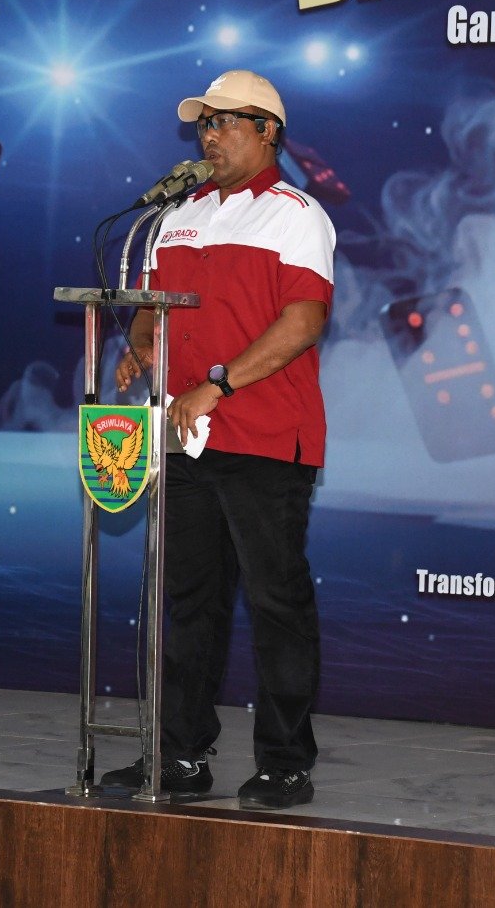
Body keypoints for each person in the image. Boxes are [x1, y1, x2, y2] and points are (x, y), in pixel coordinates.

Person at [100, 70, 336, 810]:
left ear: (268, 133)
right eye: (204, 123)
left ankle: (286, 764)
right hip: (184, 435)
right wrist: (140, 345)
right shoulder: (178, 214)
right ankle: (181, 755)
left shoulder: (296, 214)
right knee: (189, 602)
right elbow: (153, 305)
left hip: (264, 436)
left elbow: (304, 322)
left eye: (226, 121)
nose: (210, 135)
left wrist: (219, 383)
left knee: (275, 601)